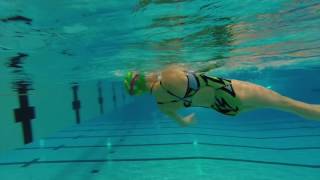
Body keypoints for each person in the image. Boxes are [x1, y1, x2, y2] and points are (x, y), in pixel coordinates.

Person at [124, 62, 320, 126]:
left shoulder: (163, 106)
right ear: (143, 78)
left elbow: (184, 123)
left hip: (226, 109)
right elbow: (200, 72)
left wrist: (189, 119)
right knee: (290, 105)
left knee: (284, 106)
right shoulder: (168, 74)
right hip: (232, 92)